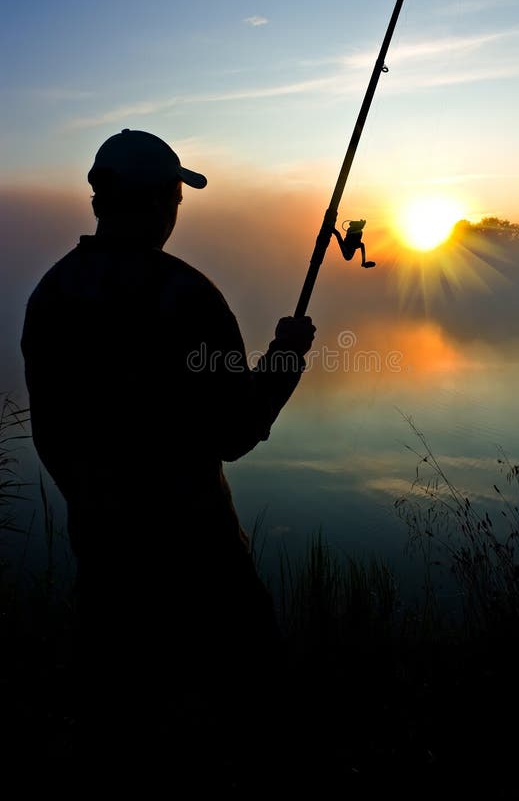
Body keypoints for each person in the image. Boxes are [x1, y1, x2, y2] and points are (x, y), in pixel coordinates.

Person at [20, 129, 316, 780]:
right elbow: (237, 433)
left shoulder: (51, 297)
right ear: (160, 201)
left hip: (101, 546)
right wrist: (287, 355)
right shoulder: (187, 298)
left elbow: (51, 434)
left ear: (101, 200)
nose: (176, 209)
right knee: (252, 710)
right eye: (175, 196)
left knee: (121, 725)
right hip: (200, 551)